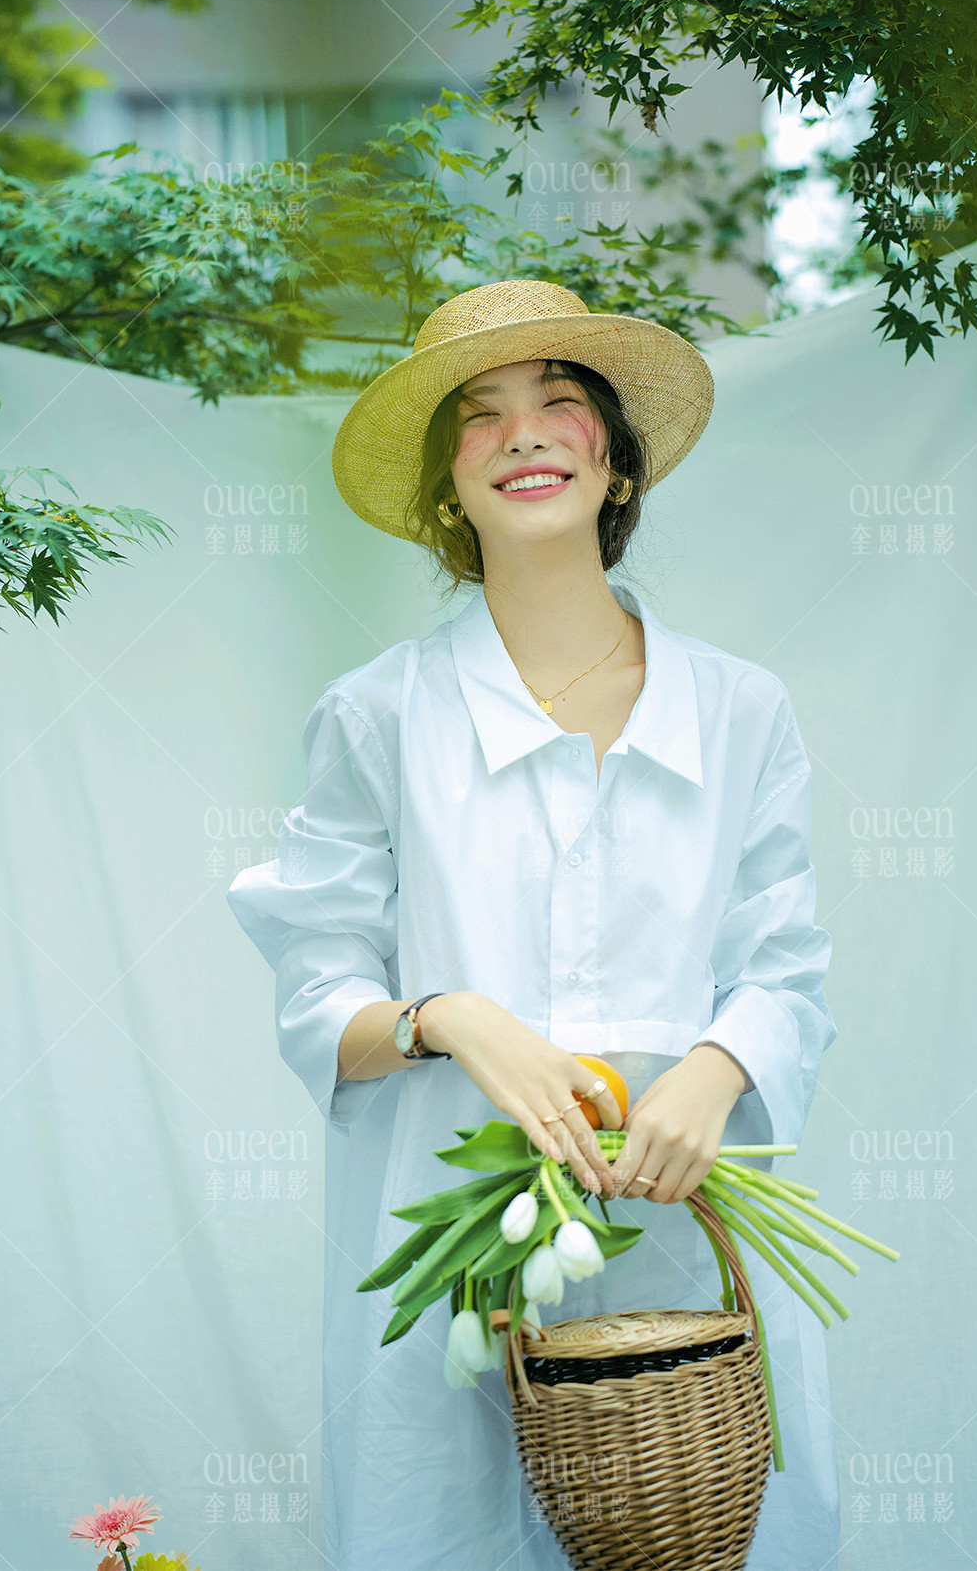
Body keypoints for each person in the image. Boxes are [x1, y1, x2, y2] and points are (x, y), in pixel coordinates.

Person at [226, 279, 840, 1570]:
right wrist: (449, 1016)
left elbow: (784, 968)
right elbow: (316, 996)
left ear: (616, 462)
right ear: (450, 486)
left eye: (562, 400)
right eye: (481, 413)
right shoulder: (379, 714)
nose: (525, 433)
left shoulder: (741, 709)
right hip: (453, 1259)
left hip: (688, 1239)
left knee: (700, 1533)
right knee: (454, 1533)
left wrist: (719, 1066)